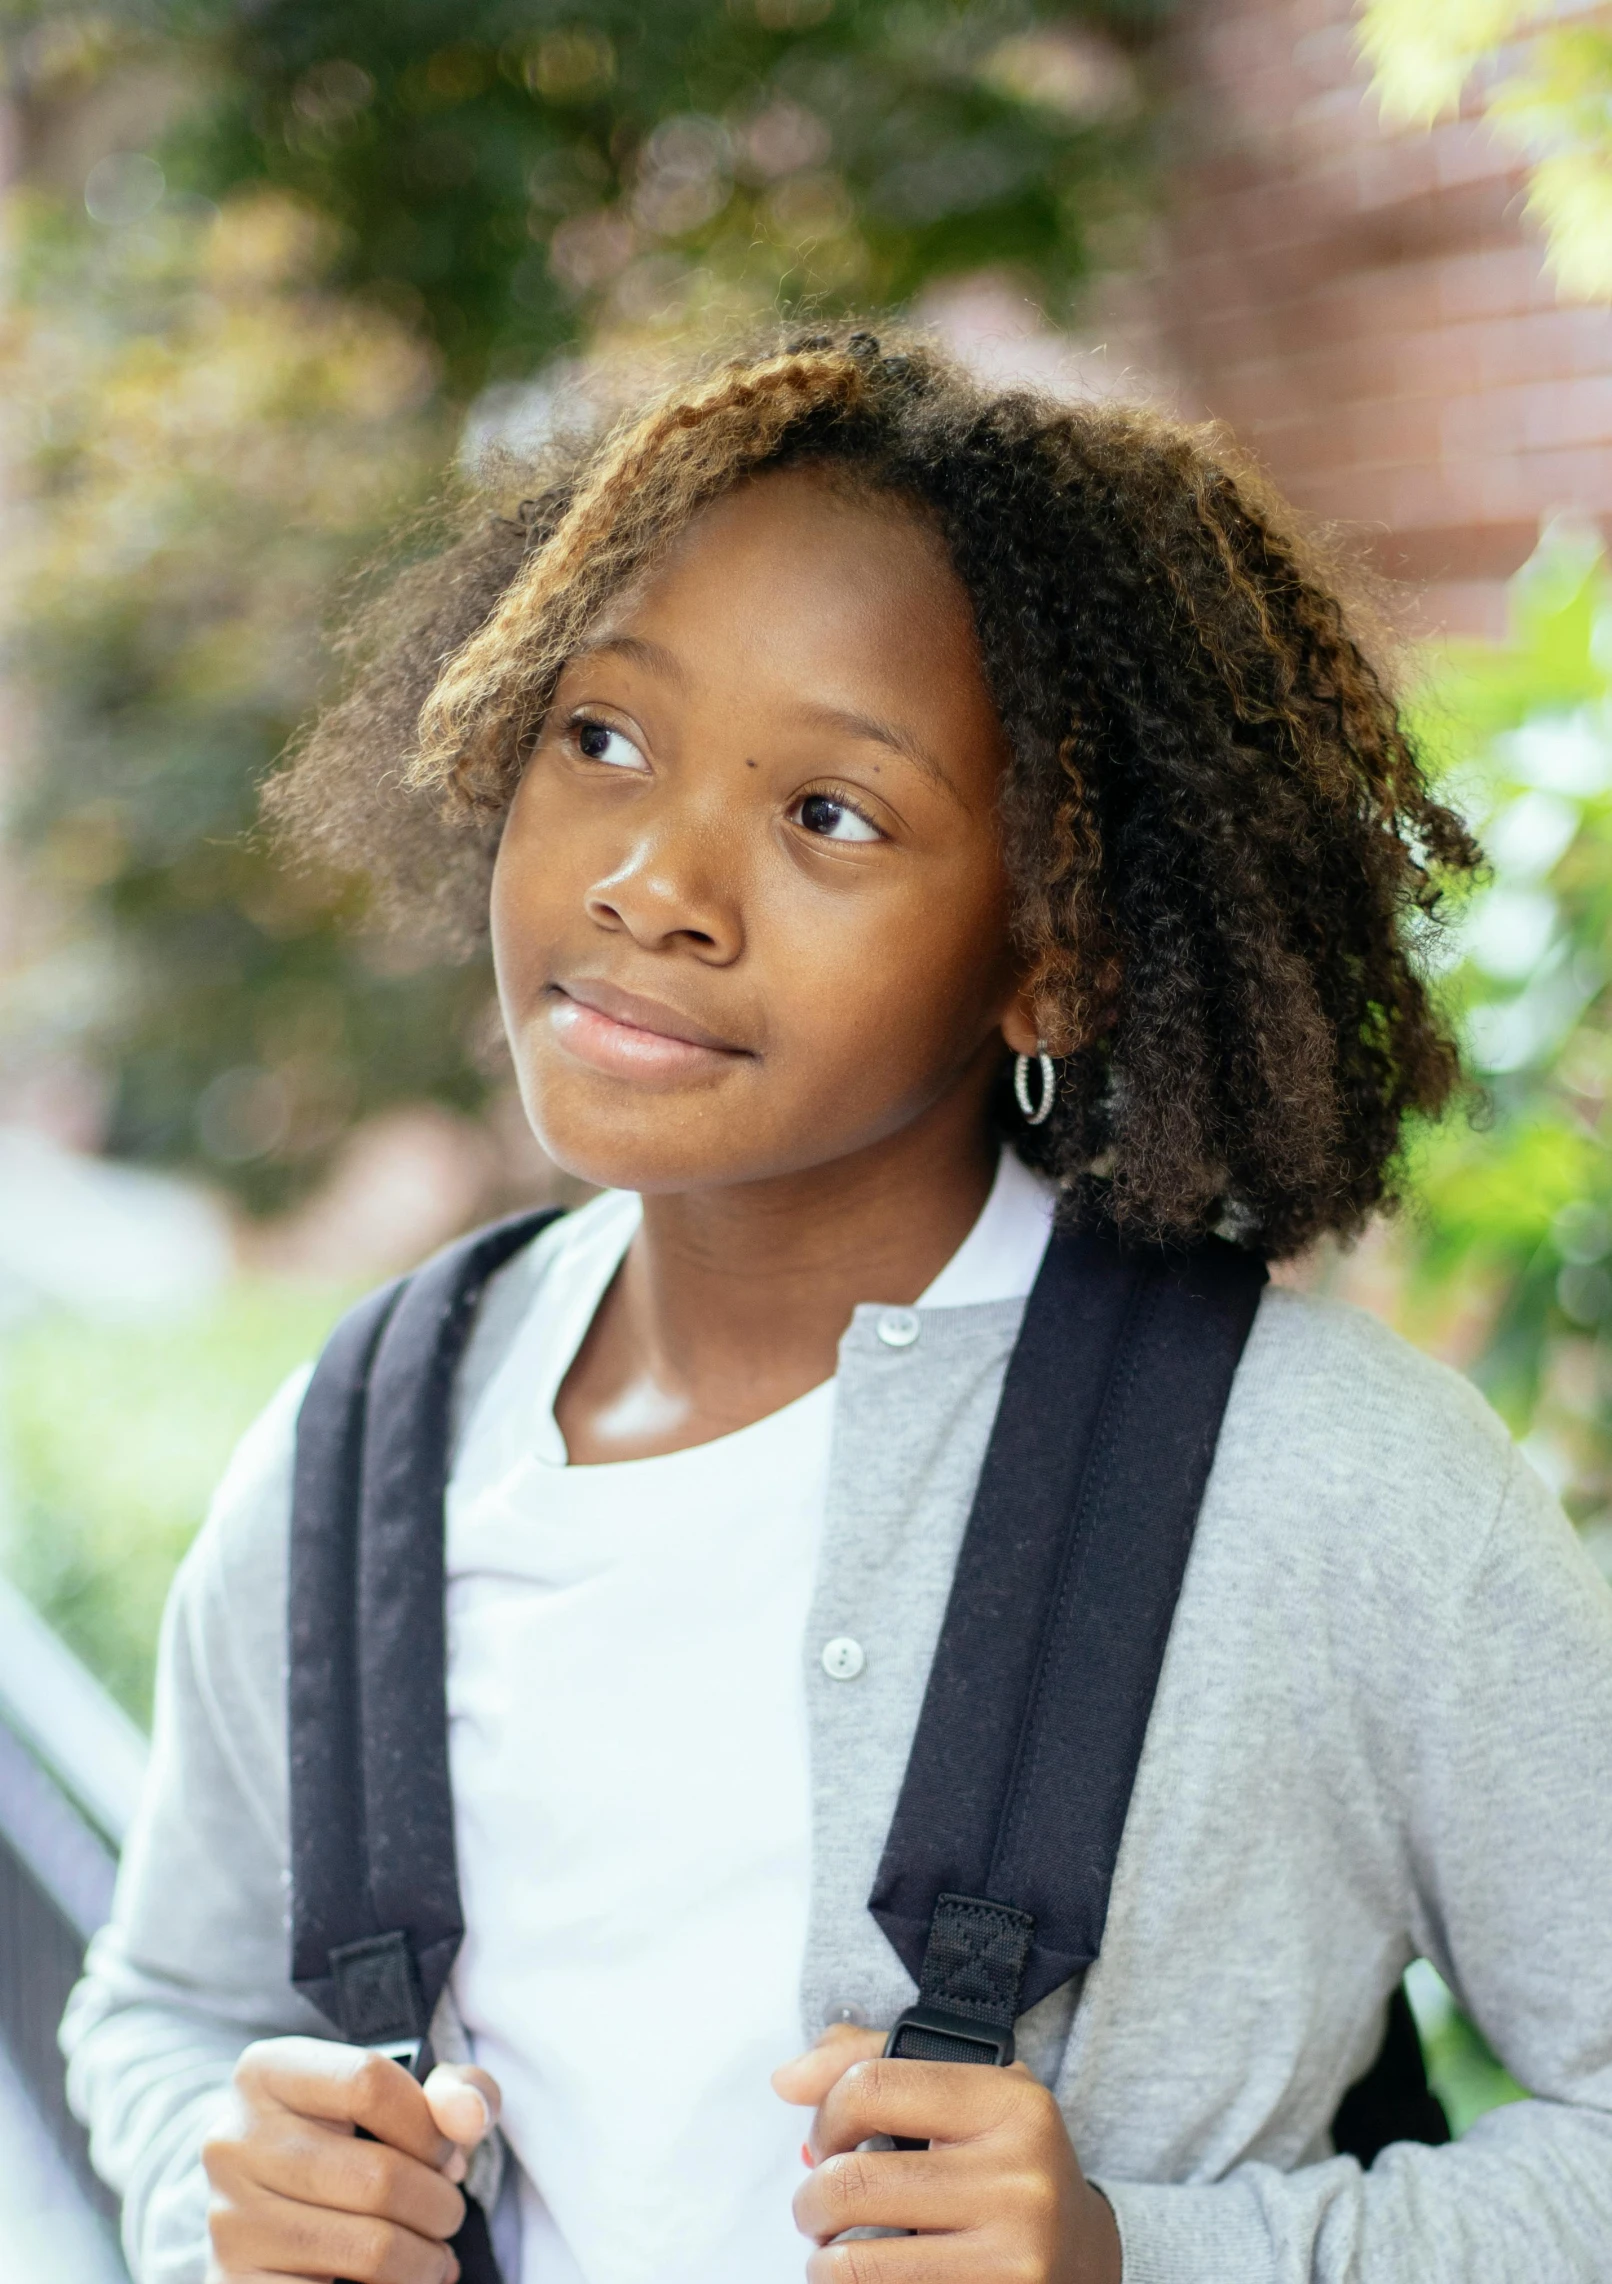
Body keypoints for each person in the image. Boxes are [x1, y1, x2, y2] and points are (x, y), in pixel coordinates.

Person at [62, 327, 1612, 2284]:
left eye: (830, 815)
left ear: (1049, 959)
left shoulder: (1322, 1483)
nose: (651, 879)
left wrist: (1138, 2251)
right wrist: (227, 2172)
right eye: (601, 737)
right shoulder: (362, 1441)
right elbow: (162, 2006)